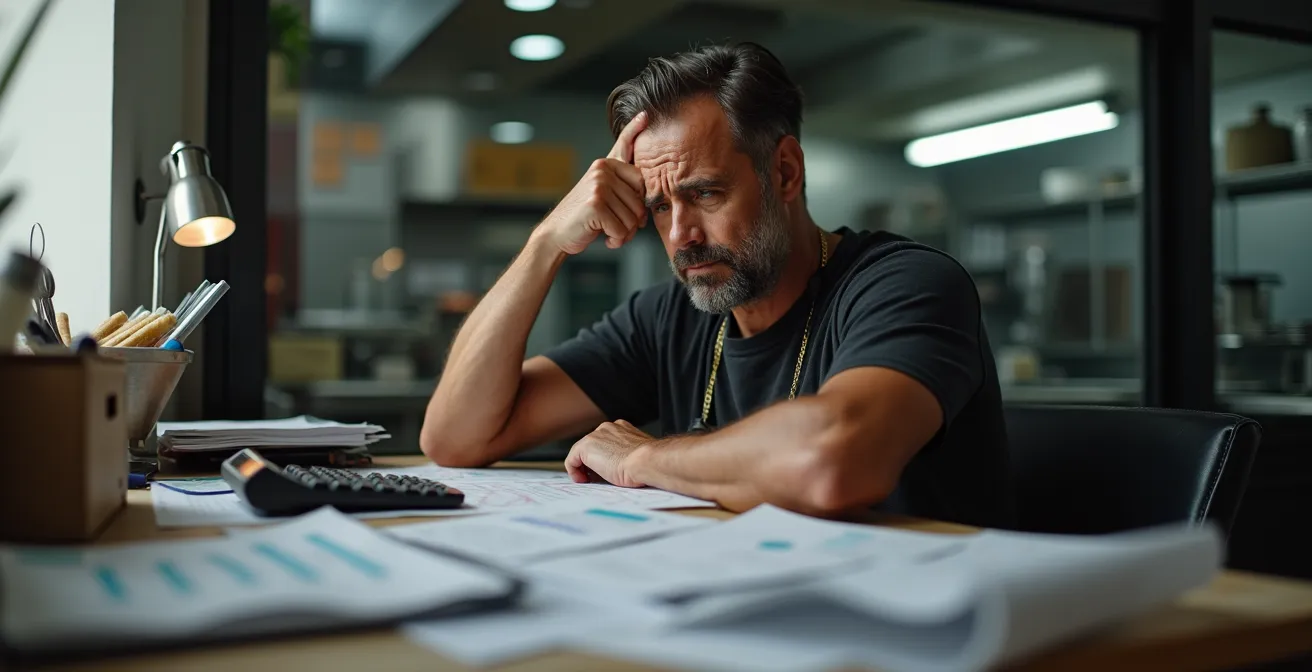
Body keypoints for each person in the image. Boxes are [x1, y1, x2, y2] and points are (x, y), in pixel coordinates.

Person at [421, 42, 1014, 528]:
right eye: (659, 206)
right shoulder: (668, 318)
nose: (681, 236)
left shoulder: (904, 283)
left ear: (785, 172)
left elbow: (829, 463)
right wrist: (546, 242)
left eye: (705, 193)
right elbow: (454, 438)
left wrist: (645, 457)